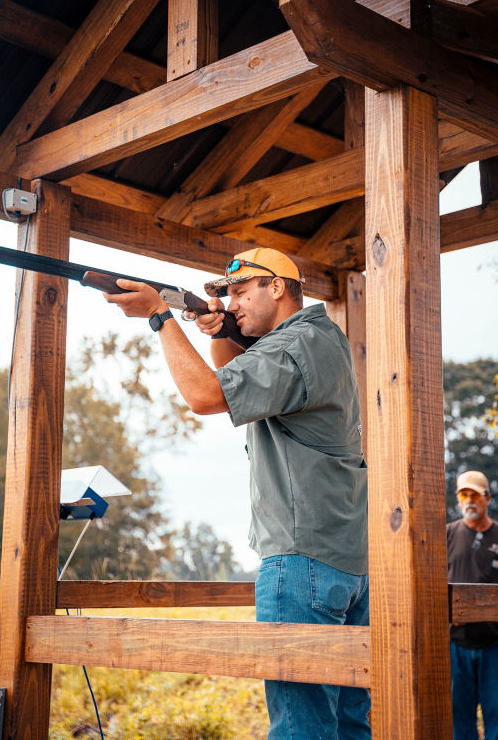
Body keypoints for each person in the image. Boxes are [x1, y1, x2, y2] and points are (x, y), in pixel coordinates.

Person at [105, 247, 370, 740]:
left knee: (300, 727)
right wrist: (222, 329)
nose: (234, 302)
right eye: (228, 296)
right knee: (349, 725)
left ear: (276, 287)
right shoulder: (319, 339)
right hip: (347, 560)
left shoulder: (291, 346)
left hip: (301, 561)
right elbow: (239, 389)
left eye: (242, 292)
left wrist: (161, 318)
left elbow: (207, 396)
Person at [447, 470, 498, 740]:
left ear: (487, 498)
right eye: (463, 494)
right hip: (456, 645)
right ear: (458, 500)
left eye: (475, 495)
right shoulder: (446, 536)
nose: (469, 500)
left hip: (497, 645)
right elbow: (431, 587)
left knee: (497, 718)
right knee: (459, 717)